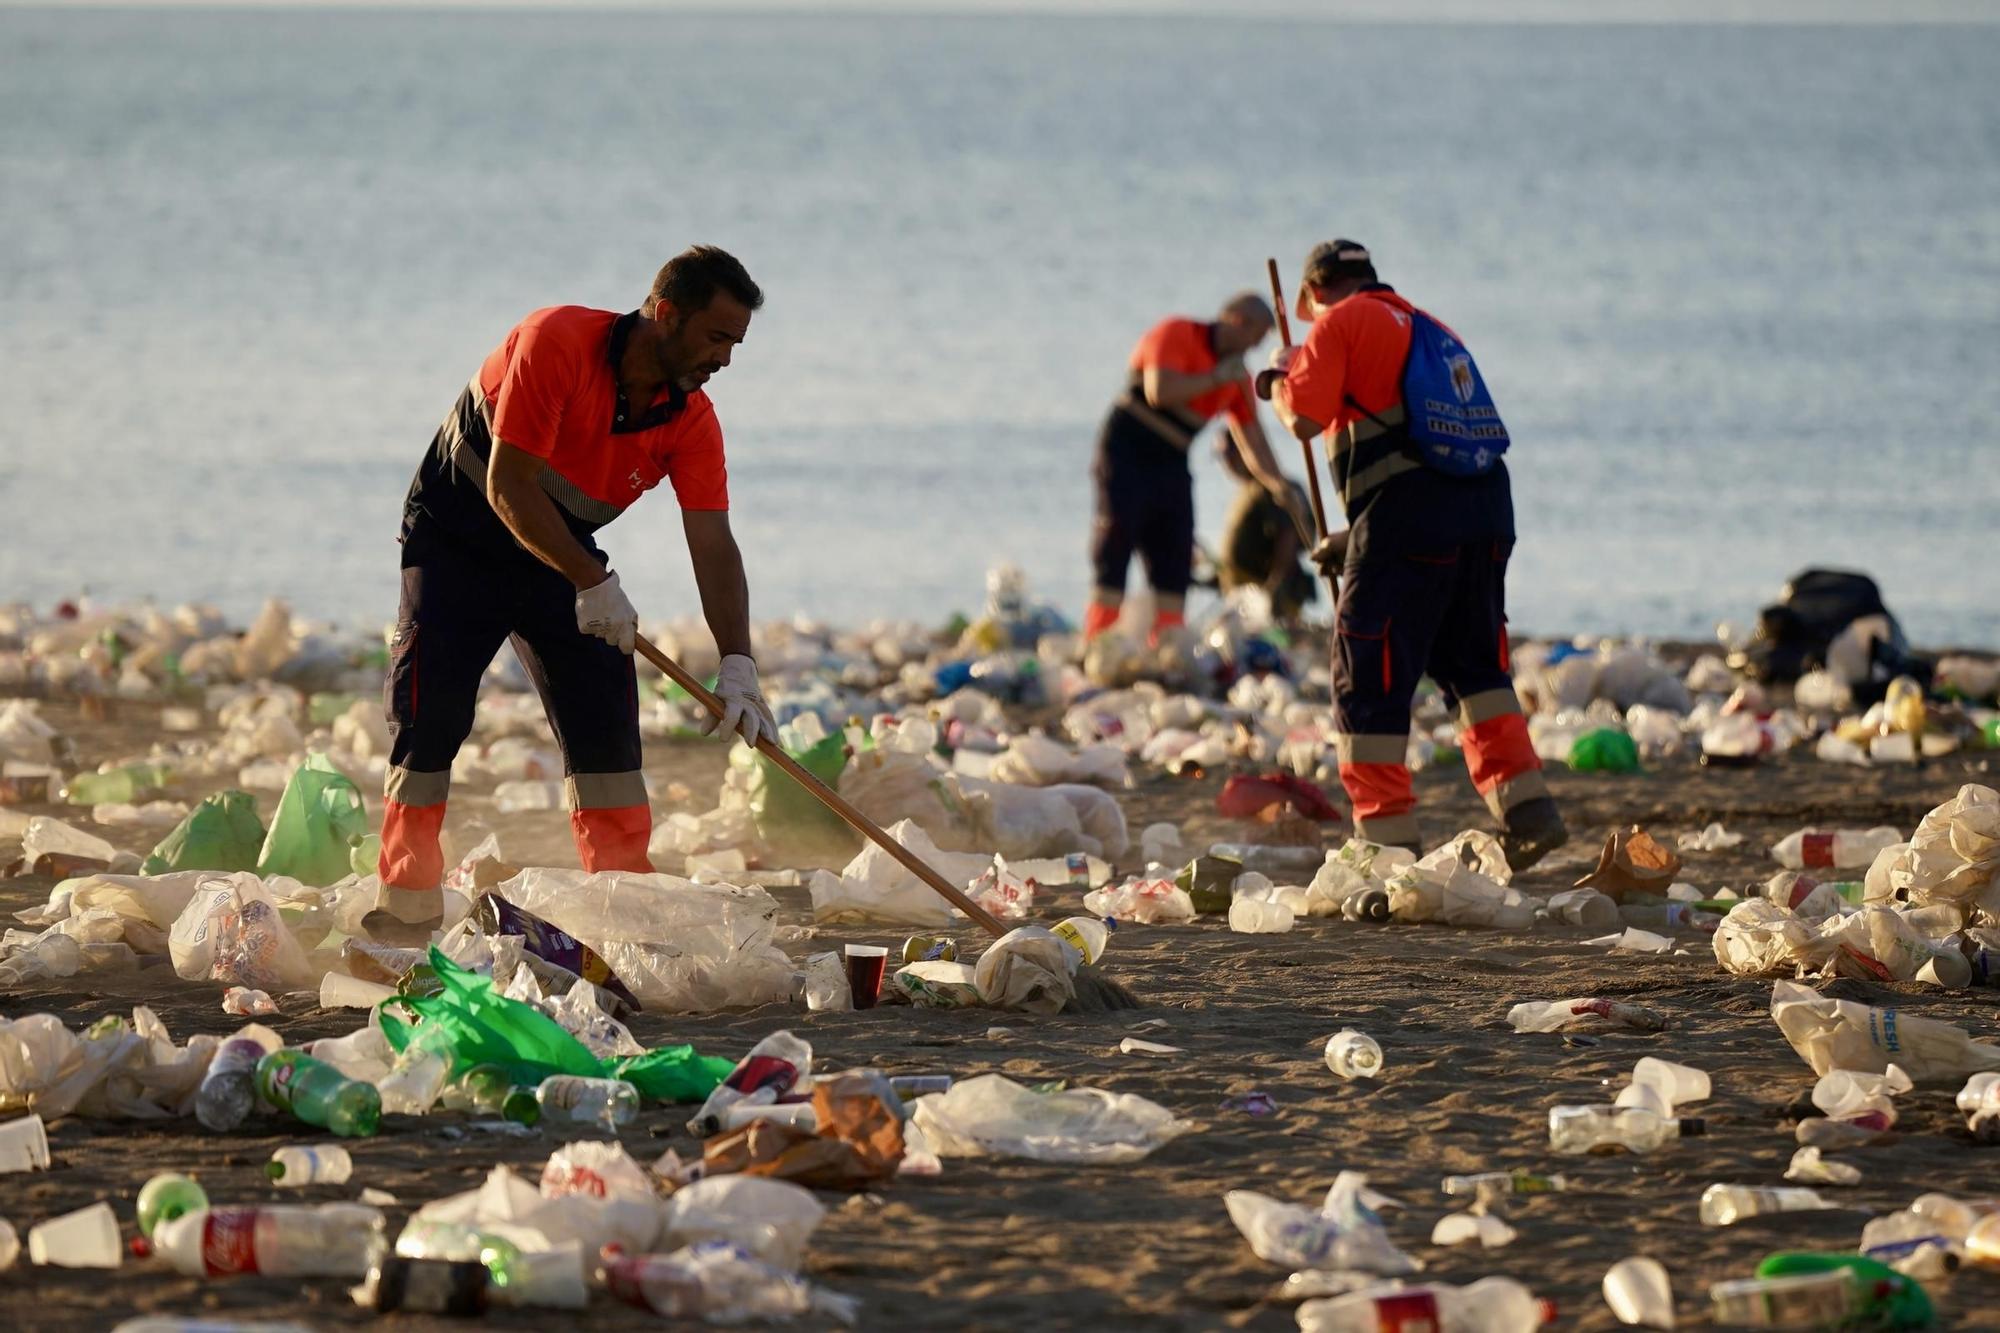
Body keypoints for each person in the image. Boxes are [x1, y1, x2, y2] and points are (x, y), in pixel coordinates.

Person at [367, 245, 777, 942]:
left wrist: (738, 661)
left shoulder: (691, 420)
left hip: (560, 551)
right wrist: (594, 583)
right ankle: (404, 909)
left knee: (605, 725)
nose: (725, 360)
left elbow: (713, 543)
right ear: (666, 313)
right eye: (716, 338)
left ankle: (626, 915)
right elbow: (508, 485)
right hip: (457, 533)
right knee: (429, 715)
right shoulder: (555, 342)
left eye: (735, 344)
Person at [1259, 239, 1566, 869]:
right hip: (1484, 514)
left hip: (1411, 519)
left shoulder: (1340, 321)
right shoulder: (1430, 326)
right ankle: (1529, 810)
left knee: (1367, 673)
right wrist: (1355, 541)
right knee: (1474, 666)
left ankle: (1385, 841)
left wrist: (1281, 375)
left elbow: (1306, 419)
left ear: (1315, 293)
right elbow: (1424, 452)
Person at [1085, 294, 1309, 645]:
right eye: (1256, 334)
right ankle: (1097, 641)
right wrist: (1218, 377)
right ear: (1236, 320)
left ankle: (1167, 646)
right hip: (1126, 452)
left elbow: (1253, 438)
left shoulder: (1238, 378)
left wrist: (1278, 485)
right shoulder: (1177, 333)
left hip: (1172, 460)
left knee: (1175, 552)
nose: (1254, 346)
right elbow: (1160, 392)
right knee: (1116, 541)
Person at [1213, 442, 1317, 627]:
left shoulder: (1272, 487)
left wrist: (1274, 586)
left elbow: (1288, 535)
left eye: (1230, 453)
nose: (1226, 462)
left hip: (1271, 599)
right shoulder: (1249, 490)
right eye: (1221, 456)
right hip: (1243, 597)